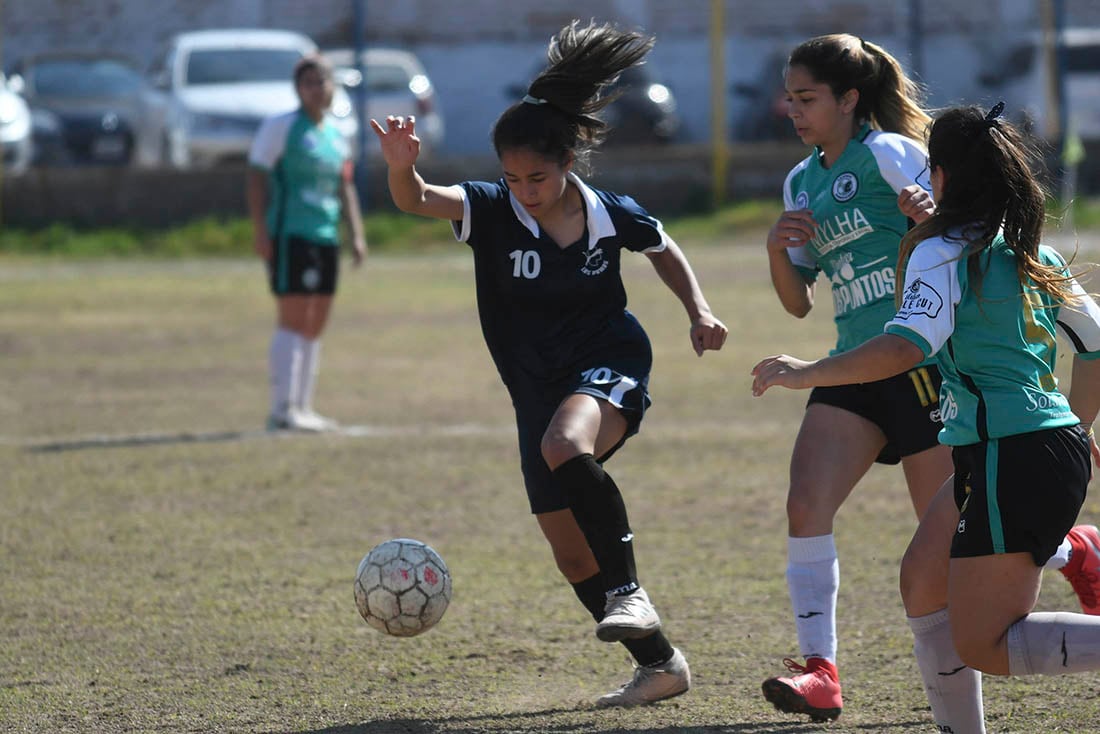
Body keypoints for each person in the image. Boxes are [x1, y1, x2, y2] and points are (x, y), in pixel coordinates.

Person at [370, 20, 727, 707]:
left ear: (568, 163)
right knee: (569, 552)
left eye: (537, 176)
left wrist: (699, 311)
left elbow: (662, 246)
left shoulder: (609, 213)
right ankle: (660, 666)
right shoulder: (491, 210)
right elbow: (415, 198)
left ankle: (631, 592)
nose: (524, 190)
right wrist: (398, 163)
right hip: (534, 387)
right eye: (511, 177)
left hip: (608, 362)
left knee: (567, 443)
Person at [757, 34, 1098, 723]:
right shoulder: (1035, 249)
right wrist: (1074, 426)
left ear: (937, 176)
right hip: (1010, 442)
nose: (791, 109)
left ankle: (1067, 556)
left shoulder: (942, 248)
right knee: (921, 577)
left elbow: (907, 346)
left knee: (984, 643)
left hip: (1003, 443)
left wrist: (808, 372)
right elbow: (1095, 345)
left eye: (805, 96)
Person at [246, 54, 366, 432]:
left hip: (325, 236)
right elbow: (256, 177)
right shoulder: (280, 127)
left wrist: (356, 234)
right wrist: (261, 230)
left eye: (324, 81)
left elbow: (344, 186)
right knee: (294, 317)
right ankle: (282, 409)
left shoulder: (337, 133)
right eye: (310, 82)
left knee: (317, 320)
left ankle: (303, 406)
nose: (318, 89)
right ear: (298, 89)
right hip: (291, 233)